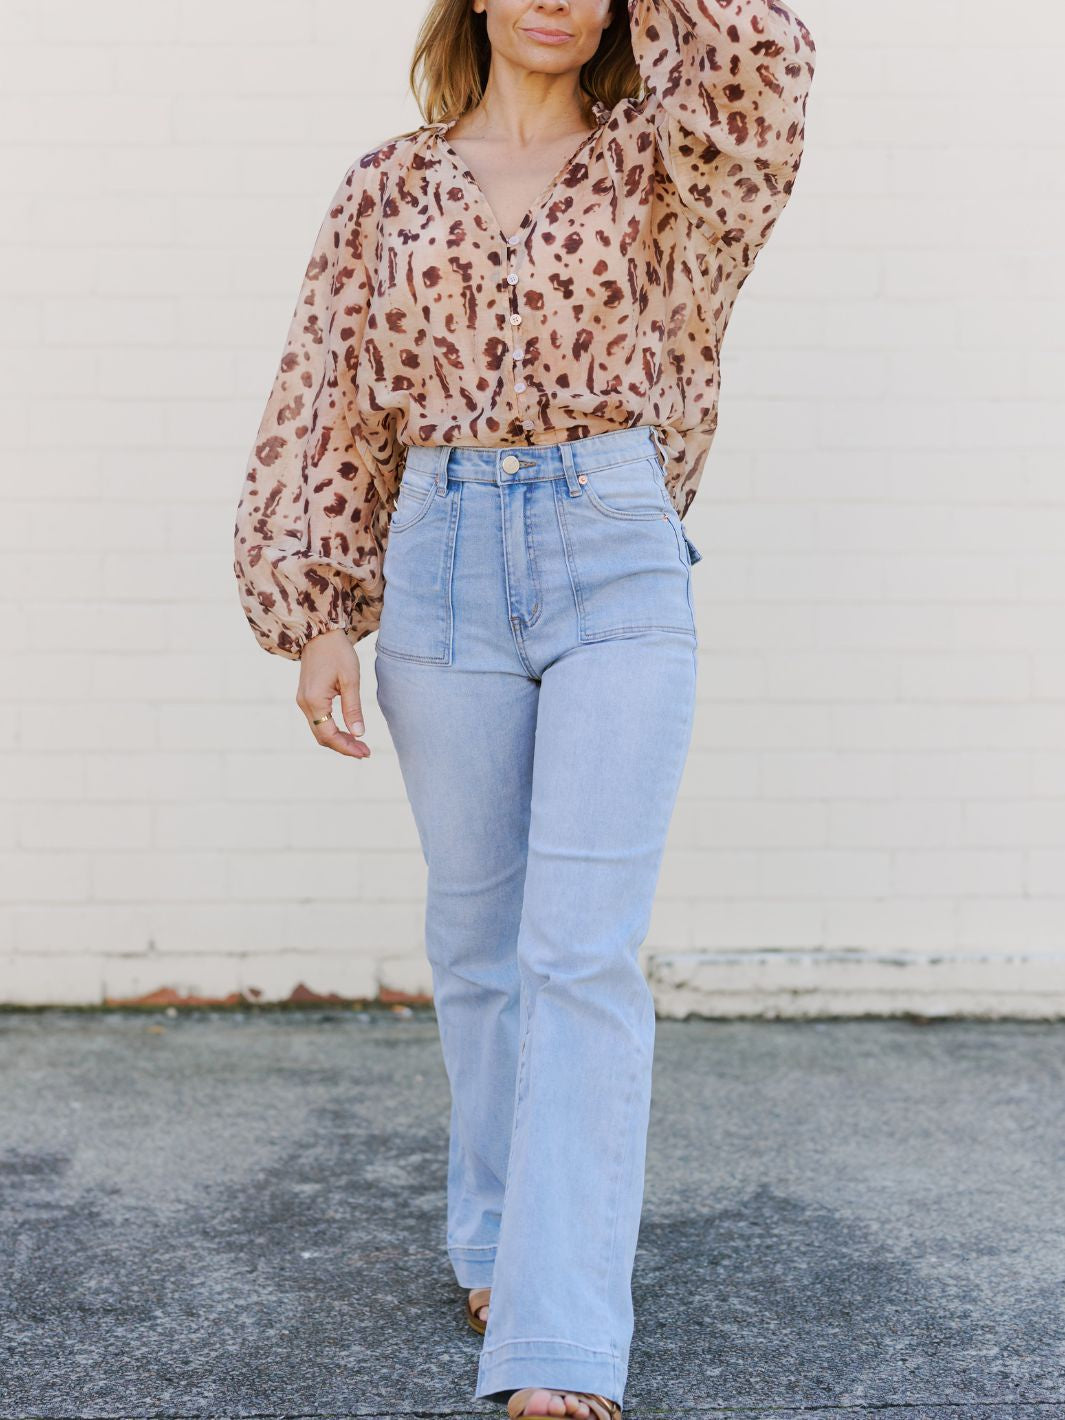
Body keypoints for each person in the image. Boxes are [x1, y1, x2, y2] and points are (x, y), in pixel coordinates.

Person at [233, 2, 816, 1415]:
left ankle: (559, 1334)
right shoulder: (385, 185)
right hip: (437, 558)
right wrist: (319, 608)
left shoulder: (671, 161)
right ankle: (499, 1234)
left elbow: (767, 60)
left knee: (581, 953)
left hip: (612, 549)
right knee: (480, 943)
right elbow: (326, 395)